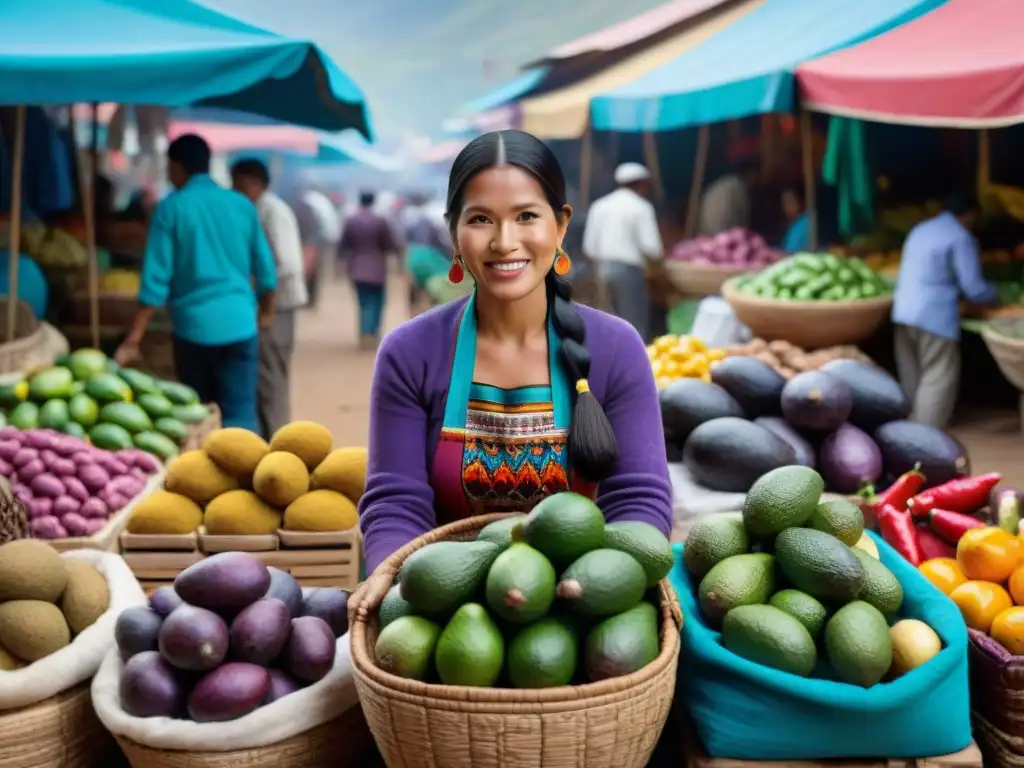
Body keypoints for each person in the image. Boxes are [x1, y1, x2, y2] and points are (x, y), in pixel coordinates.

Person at [357, 129, 673, 576]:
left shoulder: (617, 348)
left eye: (526, 216)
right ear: (453, 233)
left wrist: (606, 590)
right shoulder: (410, 353)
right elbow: (396, 503)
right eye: (481, 219)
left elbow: (637, 500)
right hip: (446, 604)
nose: (504, 241)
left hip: (580, 599)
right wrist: (400, 585)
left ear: (560, 225)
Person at [114, 134, 277, 434]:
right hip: (241, 324)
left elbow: (155, 282)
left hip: (193, 329)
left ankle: (204, 478)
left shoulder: (171, 208)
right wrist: (265, 313)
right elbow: (267, 273)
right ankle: (247, 476)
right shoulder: (241, 205)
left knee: (197, 413)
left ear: (176, 167)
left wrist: (133, 339)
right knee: (241, 414)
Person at [892, 192, 998, 428]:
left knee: (911, 375)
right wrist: (995, 294)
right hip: (934, 316)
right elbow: (974, 288)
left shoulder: (920, 229)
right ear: (969, 215)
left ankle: (904, 434)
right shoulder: (960, 237)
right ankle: (925, 439)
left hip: (903, 310)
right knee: (937, 376)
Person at [231, 158, 309, 438]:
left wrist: (258, 284)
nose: (235, 191)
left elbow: (288, 264)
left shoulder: (271, 211)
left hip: (279, 305)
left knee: (270, 377)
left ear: (255, 183)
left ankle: (276, 439)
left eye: (238, 185)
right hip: (269, 303)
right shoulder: (258, 209)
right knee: (266, 377)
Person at [581, 162, 663, 341]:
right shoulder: (641, 207)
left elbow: (589, 247)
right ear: (641, 184)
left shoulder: (600, 205)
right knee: (633, 323)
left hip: (603, 270)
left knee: (608, 320)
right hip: (630, 272)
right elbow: (653, 248)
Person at [338, 191, 399, 350]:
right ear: (373, 201)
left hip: (357, 268)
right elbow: (390, 243)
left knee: (363, 302)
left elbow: (343, 244)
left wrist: (341, 264)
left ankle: (364, 333)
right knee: (377, 301)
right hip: (377, 267)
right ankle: (372, 331)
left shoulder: (351, 220)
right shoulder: (380, 220)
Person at [698, 160, 757, 236]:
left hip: (709, 233)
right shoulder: (739, 187)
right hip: (724, 233)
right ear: (750, 173)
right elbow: (744, 220)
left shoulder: (725, 183)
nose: (756, 179)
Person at [781, 187, 810, 253]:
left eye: (790, 202)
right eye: (784, 203)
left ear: (798, 202)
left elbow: (790, 251)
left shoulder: (805, 222)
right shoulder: (794, 224)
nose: (786, 207)